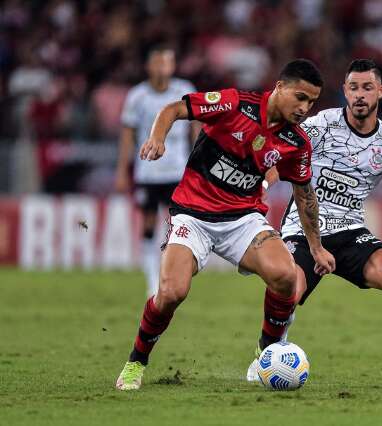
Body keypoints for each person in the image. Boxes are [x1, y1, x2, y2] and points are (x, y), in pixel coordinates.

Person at [116, 59, 336, 390]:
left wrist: (316, 247)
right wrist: (158, 139)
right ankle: (136, 362)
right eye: (300, 97)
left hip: (242, 219)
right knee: (171, 293)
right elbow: (173, 109)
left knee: (286, 275)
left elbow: (305, 196)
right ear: (279, 87)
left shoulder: (296, 143)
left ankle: (265, 353)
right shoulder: (235, 104)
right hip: (193, 213)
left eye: (311, 102)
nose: (304, 108)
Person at [247, 59, 382, 383]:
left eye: (366, 87)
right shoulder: (321, 125)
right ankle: (266, 353)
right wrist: (262, 186)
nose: (359, 95)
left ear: (380, 91)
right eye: (353, 88)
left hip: (350, 231)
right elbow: (279, 156)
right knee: (288, 290)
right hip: (305, 230)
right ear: (344, 91)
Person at [115, 45, 199, 297]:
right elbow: (127, 135)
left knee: (178, 226)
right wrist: (122, 170)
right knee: (149, 225)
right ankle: (152, 280)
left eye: (167, 63)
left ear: (173, 66)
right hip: (148, 172)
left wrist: (198, 161)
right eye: (159, 63)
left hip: (178, 170)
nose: (163, 68)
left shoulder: (185, 91)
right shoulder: (137, 96)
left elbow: (195, 127)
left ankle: (169, 277)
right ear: (149, 66)